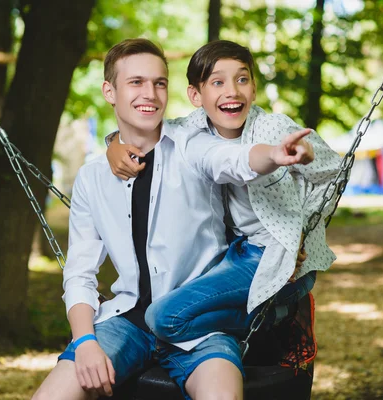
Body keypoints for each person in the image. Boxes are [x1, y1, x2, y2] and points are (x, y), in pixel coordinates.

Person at [32, 38, 317, 400]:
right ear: (109, 90)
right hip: (125, 322)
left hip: (199, 329)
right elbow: (79, 272)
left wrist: (274, 154)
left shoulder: (192, 144)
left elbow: (231, 159)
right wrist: (85, 340)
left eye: (159, 82)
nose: (149, 93)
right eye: (136, 82)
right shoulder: (92, 177)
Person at [105, 40, 341, 367]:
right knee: (165, 311)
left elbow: (333, 174)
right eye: (218, 82)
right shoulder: (194, 129)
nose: (232, 91)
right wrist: (115, 144)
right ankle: (261, 315)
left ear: (254, 89)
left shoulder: (273, 127)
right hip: (237, 254)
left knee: (162, 319)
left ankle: (278, 315)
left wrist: (303, 230)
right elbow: (146, 129)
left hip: (278, 259)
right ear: (195, 96)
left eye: (242, 79)